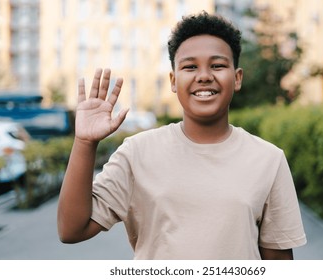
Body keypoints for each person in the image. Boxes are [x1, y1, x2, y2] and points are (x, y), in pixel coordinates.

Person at [57, 11, 307, 260]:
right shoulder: (137, 152)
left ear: (237, 78)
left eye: (218, 65)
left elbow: (278, 261)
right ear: (174, 81)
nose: (204, 76)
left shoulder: (268, 159)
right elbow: (71, 229)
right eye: (190, 67)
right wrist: (84, 143)